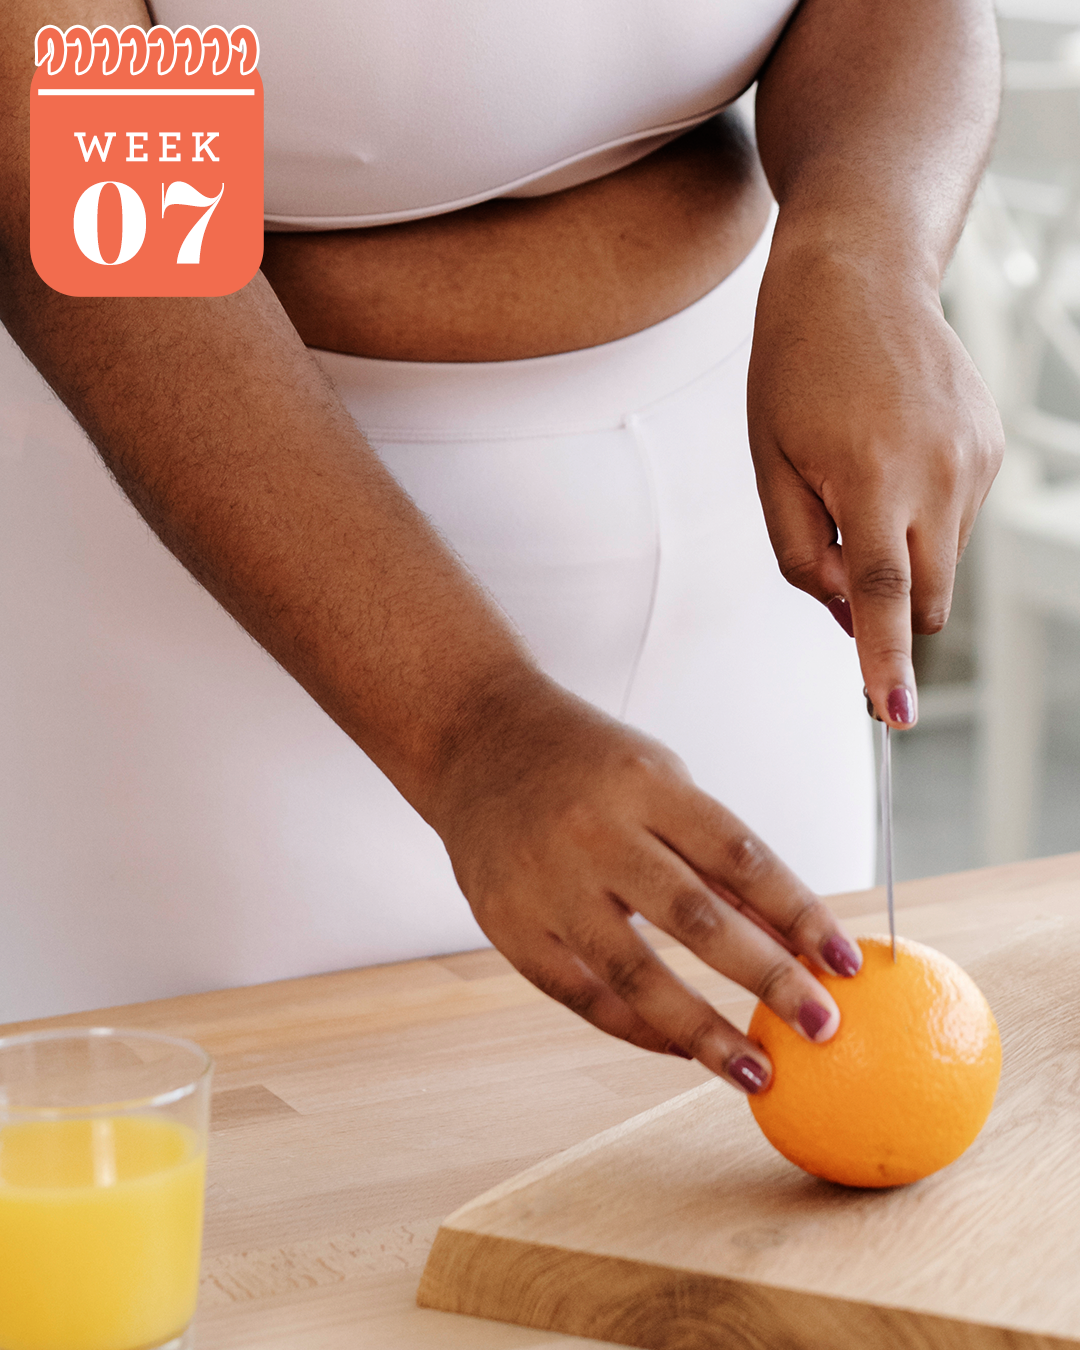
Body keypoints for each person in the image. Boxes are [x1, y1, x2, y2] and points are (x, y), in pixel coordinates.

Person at [0, 0, 1002, 1092]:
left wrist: (869, 247)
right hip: (205, 621)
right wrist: (472, 726)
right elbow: (109, 204)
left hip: (740, 577)